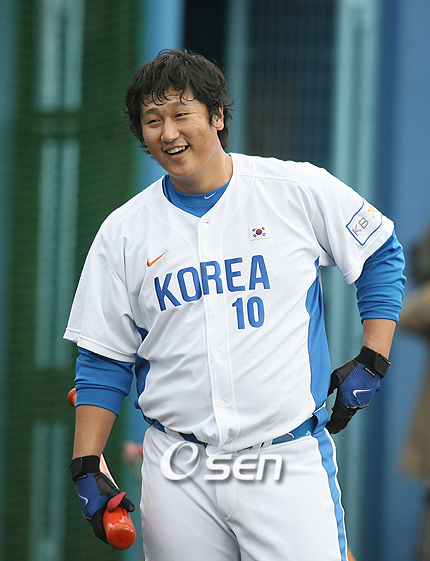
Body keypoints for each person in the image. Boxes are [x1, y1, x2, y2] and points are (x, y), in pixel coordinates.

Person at [65, 49, 406, 561]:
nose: (168, 132)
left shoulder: (294, 188)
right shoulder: (123, 232)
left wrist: (374, 358)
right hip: (178, 468)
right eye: (152, 121)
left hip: (283, 459)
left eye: (182, 114)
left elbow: (379, 251)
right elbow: (103, 357)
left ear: (218, 116)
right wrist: (87, 463)